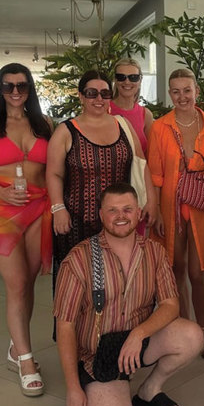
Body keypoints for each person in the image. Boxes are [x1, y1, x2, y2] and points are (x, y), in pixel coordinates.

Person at [54, 183, 203, 406]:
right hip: (98, 354)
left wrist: (138, 334)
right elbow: (64, 325)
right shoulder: (79, 258)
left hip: (137, 341)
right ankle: (108, 386)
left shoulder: (155, 252)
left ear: (138, 213)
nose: (120, 216)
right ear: (101, 215)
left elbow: (170, 305)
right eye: (112, 210)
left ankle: (149, 390)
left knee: (192, 336)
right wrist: (72, 387)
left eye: (127, 209)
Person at [0, 63, 52, 396]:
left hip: (37, 207)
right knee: (16, 284)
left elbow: (52, 170)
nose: (15, 92)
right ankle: (26, 360)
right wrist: (0, 191)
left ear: (30, 88)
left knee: (27, 284)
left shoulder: (43, 124)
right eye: (8, 86)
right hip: (1, 210)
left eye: (21, 85)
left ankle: (18, 349)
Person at [47, 70, 156, 308]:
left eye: (105, 93)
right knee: (77, 284)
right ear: (81, 96)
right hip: (78, 221)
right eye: (92, 93)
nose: (99, 98)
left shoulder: (123, 125)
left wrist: (151, 201)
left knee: (120, 280)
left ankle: (115, 338)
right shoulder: (66, 130)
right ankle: (77, 340)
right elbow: (54, 173)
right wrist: (58, 208)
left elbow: (141, 163)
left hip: (120, 221)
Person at [148, 69, 204, 359]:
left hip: (202, 206)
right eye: (175, 91)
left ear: (197, 91)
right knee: (176, 269)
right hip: (171, 206)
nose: (182, 96)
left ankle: (203, 330)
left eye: (187, 90)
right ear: (170, 93)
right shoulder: (160, 127)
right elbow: (155, 174)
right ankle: (185, 328)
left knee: (198, 271)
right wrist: (158, 212)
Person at [109, 58, 154, 154]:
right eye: (121, 77)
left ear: (140, 80)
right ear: (115, 80)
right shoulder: (104, 110)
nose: (127, 82)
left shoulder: (146, 115)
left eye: (133, 77)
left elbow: (151, 153)